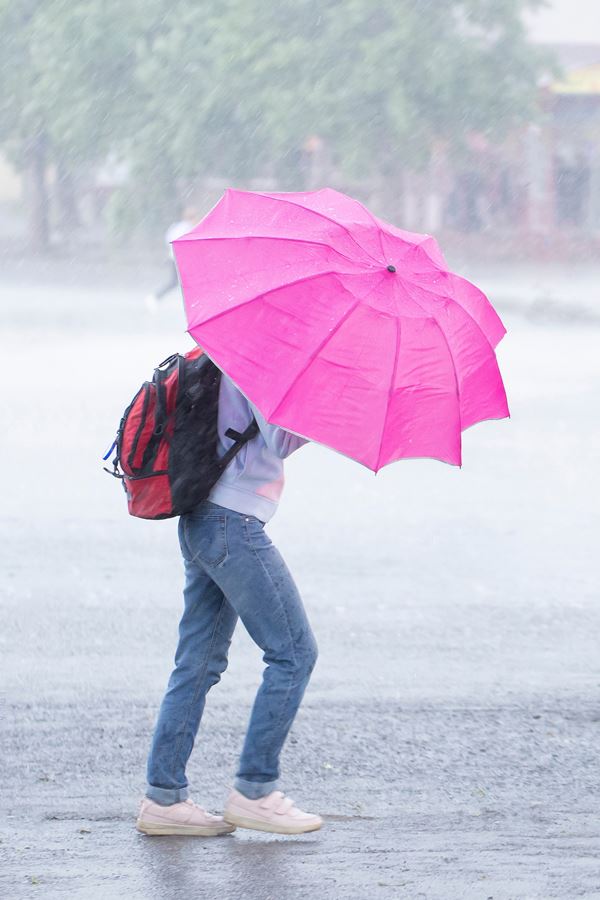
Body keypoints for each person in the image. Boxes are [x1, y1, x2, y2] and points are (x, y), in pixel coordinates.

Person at [135, 371, 322, 836]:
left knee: (197, 662)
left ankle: (164, 798)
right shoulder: (264, 357)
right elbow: (279, 438)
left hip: (203, 515)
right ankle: (256, 789)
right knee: (294, 654)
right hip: (231, 522)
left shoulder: (229, 350)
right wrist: (322, 402)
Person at [144, 207, 200, 310]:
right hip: (180, 259)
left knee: (178, 282)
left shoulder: (177, 227)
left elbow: (168, 239)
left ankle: (156, 297)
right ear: (193, 218)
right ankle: (156, 297)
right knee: (182, 281)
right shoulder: (188, 228)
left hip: (174, 257)